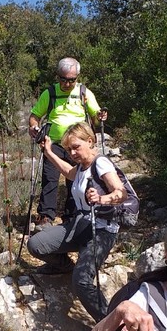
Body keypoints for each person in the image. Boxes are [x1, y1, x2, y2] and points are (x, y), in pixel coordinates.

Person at [27, 122, 126, 322]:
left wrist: (102, 199)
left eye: (76, 147)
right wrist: (48, 152)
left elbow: (121, 193)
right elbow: (67, 172)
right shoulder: (81, 167)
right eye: (68, 149)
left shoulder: (101, 163)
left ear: (90, 141)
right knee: (36, 244)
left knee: (81, 281)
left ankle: (111, 327)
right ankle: (64, 265)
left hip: (102, 230)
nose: (72, 152)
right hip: (80, 224)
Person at [28, 58, 107, 228]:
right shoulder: (50, 93)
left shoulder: (84, 93)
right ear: (57, 77)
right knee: (50, 179)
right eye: (63, 79)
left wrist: (100, 117)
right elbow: (35, 116)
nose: (67, 83)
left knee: (77, 180)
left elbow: (95, 116)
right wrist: (34, 127)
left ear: (77, 78)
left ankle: (72, 216)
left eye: (72, 80)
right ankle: (46, 217)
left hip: (78, 145)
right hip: (54, 143)